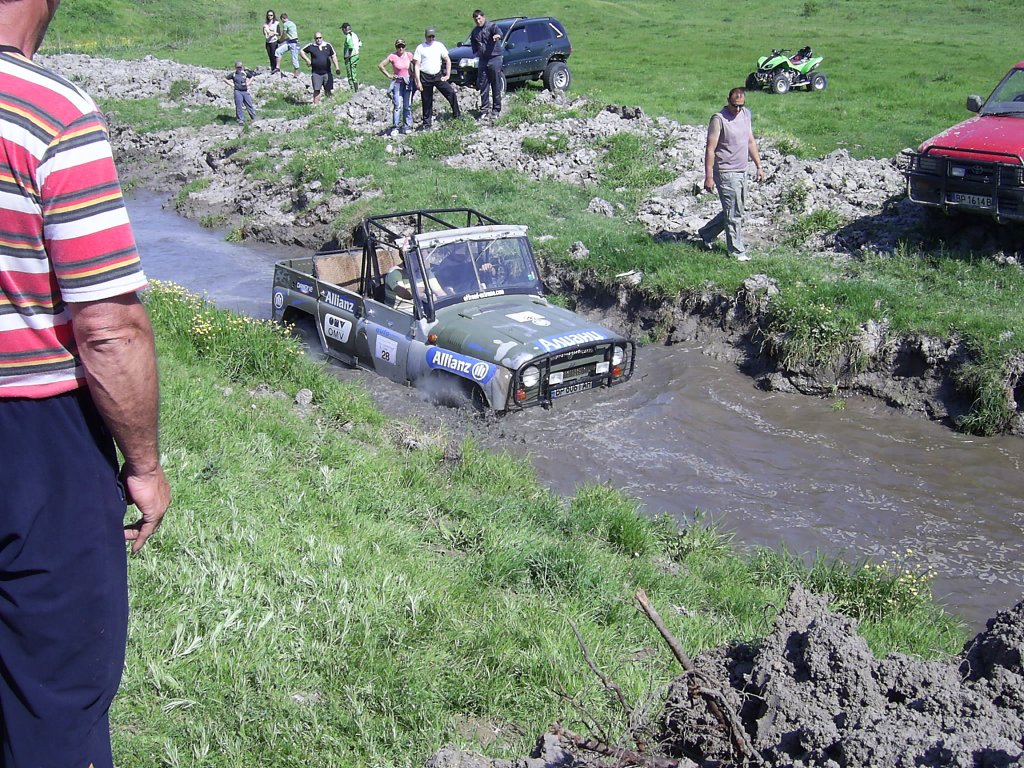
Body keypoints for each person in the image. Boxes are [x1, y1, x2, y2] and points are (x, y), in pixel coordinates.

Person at [0, 0, 171, 765]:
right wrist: (145, 464)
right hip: (32, 439)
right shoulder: (48, 113)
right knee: (53, 694)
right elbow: (109, 330)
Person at [697, 87, 764, 262]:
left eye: (741, 105)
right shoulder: (718, 119)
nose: (738, 109)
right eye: (735, 106)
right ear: (728, 101)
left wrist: (758, 165)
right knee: (734, 212)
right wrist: (709, 176)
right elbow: (710, 149)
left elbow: (750, 141)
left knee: (736, 209)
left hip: (742, 170)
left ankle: (707, 233)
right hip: (725, 171)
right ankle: (736, 251)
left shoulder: (746, 115)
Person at [413, 26, 461, 130]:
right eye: (429, 37)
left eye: (432, 37)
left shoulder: (439, 46)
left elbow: (447, 60)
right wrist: (418, 81)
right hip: (425, 76)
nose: (431, 39)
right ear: (425, 37)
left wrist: (447, 75)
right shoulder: (420, 48)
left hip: (438, 75)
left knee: (451, 93)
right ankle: (427, 124)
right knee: (426, 100)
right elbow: (416, 65)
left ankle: (457, 115)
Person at [469, 9, 503, 119]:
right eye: (476, 20)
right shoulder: (475, 31)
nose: (478, 21)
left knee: (495, 84)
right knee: (483, 84)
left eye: (479, 18)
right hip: (483, 59)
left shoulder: (492, 26)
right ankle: (484, 110)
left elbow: (499, 32)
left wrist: (497, 36)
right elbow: (473, 41)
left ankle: (496, 110)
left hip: (494, 58)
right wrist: (476, 51)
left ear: (483, 17)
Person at [378, 39, 415, 135]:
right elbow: (381, 65)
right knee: (397, 105)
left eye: (402, 46)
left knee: (407, 105)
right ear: (396, 47)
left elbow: (417, 64)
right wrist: (389, 75)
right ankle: (395, 127)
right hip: (397, 82)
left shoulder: (409, 55)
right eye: (399, 46)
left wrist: (414, 74)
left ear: (405, 47)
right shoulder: (392, 56)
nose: (400, 48)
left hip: (407, 82)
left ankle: (407, 126)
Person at [301, 31, 340, 105]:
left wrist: (337, 67)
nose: (318, 39)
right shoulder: (311, 46)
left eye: (320, 38)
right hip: (316, 73)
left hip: (327, 72)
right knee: (316, 90)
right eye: (317, 38)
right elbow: (301, 51)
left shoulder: (328, 45)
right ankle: (316, 105)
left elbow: (333, 56)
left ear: (322, 38)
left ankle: (330, 105)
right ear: (314, 39)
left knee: (328, 89)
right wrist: (307, 60)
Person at [225, 60, 257, 125]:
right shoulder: (234, 74)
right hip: (237, 91)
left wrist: (248, 83)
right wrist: (232, 85)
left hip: (245, 91)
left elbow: (252, 77)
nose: (239, 68)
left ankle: (254, 118)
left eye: (240, 67)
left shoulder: (245, 73)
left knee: (249, 104)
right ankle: (240, 119)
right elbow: (225, 79)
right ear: (235, 67)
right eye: (238, 67)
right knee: (239, 105)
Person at [275, 12, 301, 77]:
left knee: (294, 58)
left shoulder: (285, 24)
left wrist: (280, 40)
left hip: (293, 43)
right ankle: (277, 68)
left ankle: (296, 72)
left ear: (282, 18)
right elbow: (291, 34)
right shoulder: (292, 23)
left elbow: (284, 34)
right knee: (278, 51)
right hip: (290, 41)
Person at [340, 22, 361, 91]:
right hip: (356, 56)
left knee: (350, 75)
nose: (342, 31)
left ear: (345, 29)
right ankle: (355, 89)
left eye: (342, 29)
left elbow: (351, 46)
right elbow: (360, 44)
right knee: (353, 73)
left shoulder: (348, 36)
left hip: (351, 57)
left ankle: (353, 90)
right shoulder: (354, 35)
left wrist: (348, 56)